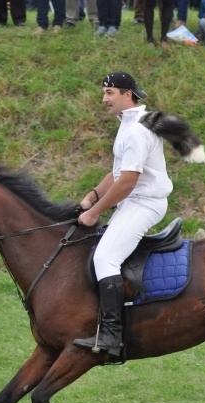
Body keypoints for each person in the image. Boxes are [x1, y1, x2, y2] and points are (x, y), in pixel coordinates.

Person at [73, 72, 174, 358]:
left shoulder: (137, 131)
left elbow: (128, 181)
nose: (103, 99)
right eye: (104, 93)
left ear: (127, 94)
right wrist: (92, 196)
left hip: (144, 203)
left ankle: (111, 336)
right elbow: (117, 172)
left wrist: (94, 212)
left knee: (105, 258)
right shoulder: (128, 124)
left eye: (109, 93)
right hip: (133, 202)